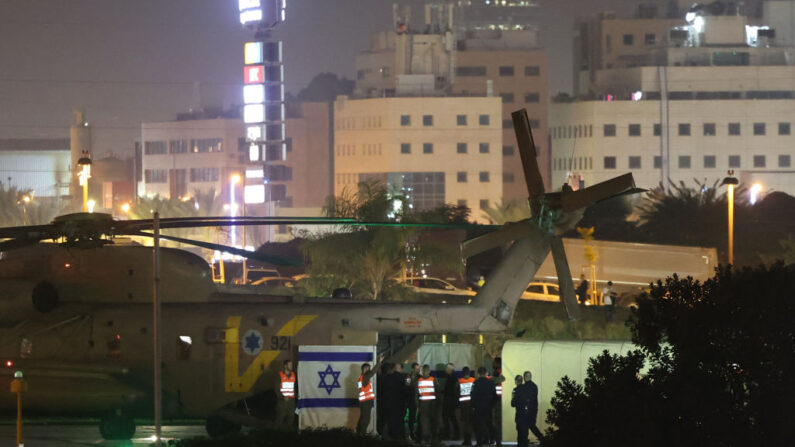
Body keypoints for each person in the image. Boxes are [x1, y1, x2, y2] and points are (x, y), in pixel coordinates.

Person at [512, 371, 545, 447]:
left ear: (524, 378)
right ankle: (542, 439)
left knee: (526, 427)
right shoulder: (534, 386)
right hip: (533, 410)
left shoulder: (523, 387)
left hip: (525, 411)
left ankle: (525, 442)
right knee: (531, 426)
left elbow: (516, 402)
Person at [356, 353, 384, 435]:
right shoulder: (365, 377)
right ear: (365, 369)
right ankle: (362, 434)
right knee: (366, 419)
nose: (369, 370)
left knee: (362, 417)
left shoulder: (361, 378)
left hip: (363, 402)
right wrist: (379, 362)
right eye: (368, 369)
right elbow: (373, 371)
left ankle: (358, 432)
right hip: (366, 401)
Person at [471, 367, 496, 447]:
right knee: (489, 424)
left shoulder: (476, 383)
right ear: (486, 373)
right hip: (488, 407)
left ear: (478, 374)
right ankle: (492, 440)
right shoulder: (491, 383)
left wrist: (473, 406)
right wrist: (492, 405)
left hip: (478, 407)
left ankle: (479, 443)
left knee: (478, 425)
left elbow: (473, 396)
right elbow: (494, 396)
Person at [416, 364, 438, 447]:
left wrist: (417, 406)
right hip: (432, 405)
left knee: (424, 423)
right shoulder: (433, 380)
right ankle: (431, 439)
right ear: (429, 371)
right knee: (432, 422)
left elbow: (416, 395)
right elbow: (438, 393)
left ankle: (425, 440)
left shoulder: (419, 381)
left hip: (423, 405)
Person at [384, 363, 407, 440]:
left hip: (391, 402)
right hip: (401, 402)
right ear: (401, 369)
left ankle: (392, 435)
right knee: (400, 420)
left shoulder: (388, 377)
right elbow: (409, 388)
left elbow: (385, 390)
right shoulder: (405, 377)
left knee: (392, 419)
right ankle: (401, 435)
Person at [275, 359, 296, 430]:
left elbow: (295, 387)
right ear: (285, 366)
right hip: (282, 401)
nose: (291, 366)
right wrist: (282, 397)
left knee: (291, 418)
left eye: (291, 365)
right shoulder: (279, 375)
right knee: (279, 419)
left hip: (291, 401)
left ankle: (288, 435)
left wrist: (297, 395)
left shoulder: (293, 374)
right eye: (290, 365)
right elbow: (277, 389)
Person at [441, 363, 460, 440]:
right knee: (451, 418)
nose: (445, 370)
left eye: (446, 368)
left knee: (448, 418)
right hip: (451, 401)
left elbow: (452, 391)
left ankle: (449, 434)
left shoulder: (451, 378)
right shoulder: (452, 378)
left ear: (449, 369)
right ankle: (454, 434)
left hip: (449, 401)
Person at [458, 366, 476, 446]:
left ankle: (466, 440)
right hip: (472, 404)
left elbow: (457, 393)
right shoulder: (473, 380)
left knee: (465, 423)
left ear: (462, 373)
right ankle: (470, 439)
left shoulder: (459, 381)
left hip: (463, 405)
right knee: (471, 422)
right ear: (469, 372)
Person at [491, 358, 505, 447]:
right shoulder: (502, 371)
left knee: (497, 421)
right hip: (501, 399)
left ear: (497, 363)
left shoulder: (496, 373)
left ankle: (497, 441)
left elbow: (493, 384)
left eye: (494, 363)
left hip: (497, 400)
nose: (493, 364)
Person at [407, 362, 420, 441]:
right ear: (412, 369)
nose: (417, 370)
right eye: (416, 369)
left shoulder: (420, 377)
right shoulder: (408, 376)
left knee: (419, 418)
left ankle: (417, 433)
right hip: (411, 400)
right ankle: (411, 433)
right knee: (411, 417)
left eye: (418, 369)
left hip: (418, 400)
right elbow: (406, 386)